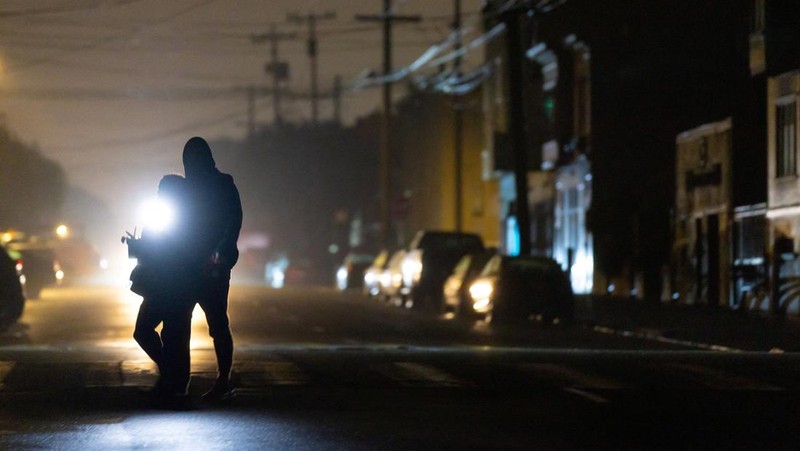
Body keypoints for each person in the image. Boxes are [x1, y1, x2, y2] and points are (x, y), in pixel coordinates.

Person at [182, 136, 242, 401]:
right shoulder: (187, 190)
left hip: (214, 266)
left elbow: (233, 222)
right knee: (181, 322)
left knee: (217, 322)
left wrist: (220, 251)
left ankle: (224, 379)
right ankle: (179, 378)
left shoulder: (223, 186)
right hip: (187, 264)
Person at [130, 174, 198, 407]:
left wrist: (142, 247)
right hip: (164, 286)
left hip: (172, 286)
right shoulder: (171, 217)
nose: (160, 194)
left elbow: (167, 252)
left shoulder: (183, 219)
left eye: (163, 190)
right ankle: (171, 382)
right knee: (166, 335)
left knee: (171, 335)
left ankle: (175, 386)